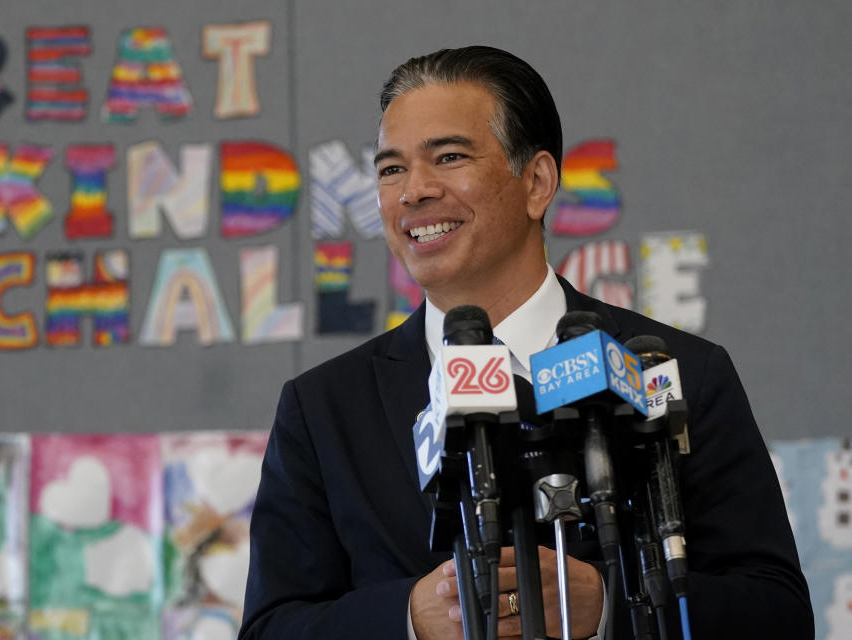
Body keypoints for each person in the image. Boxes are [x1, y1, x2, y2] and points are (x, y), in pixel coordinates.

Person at [239, 46, 813, 639]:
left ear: (537, 182)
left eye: (449, 156)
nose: (413, 192)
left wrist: (614, 606)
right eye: (391, 169)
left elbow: (778, 613)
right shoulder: (325, 407)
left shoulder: (670, 369)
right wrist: (408, 620)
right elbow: (271, 627)